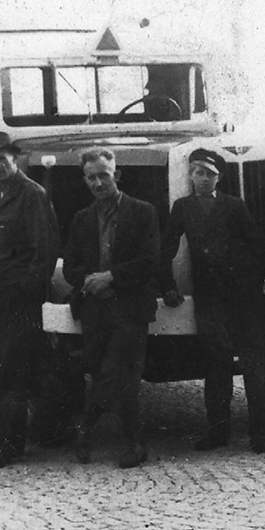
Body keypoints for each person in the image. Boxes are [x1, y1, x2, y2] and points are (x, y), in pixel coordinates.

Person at [159, 148, 265, 454]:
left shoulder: (234, 206)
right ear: (190, 176)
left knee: (254, 361)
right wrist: (168, 285)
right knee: (216, 361)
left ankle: (261, 432)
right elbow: (167, 247)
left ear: (218, 178)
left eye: (209, 174)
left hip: (243, 294)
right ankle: (217, 431)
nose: (203, 178)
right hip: (209, 295)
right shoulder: (182, 208)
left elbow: (257, 243)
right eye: (198, 172)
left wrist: (254, 279)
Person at [0, 131, 59, 471]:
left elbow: (44, 252)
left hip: (19, 298)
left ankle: (4, 447)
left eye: (3, 159)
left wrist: (26, 293)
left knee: (11, 372)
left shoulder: (32, 194)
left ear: (15, 158)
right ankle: (5, 442)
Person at [63, 148, 158, 468]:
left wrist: (112, 277)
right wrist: (89, 279)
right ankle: (98, 432)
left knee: (121, 373)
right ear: (85, 180)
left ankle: (121, 439)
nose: (99, 183)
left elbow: (150, 261)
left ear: (116, 174)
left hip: (129, 306)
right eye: (92, 177)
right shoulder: (81, 219)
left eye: (104, 175)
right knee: (104, 370)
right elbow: (70, 268)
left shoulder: (143, 211)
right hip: (94, 308)